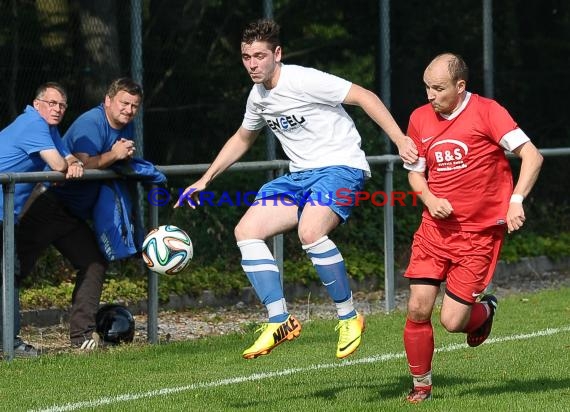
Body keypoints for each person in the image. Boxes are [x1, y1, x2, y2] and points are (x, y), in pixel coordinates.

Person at [175, 19, 418, 360]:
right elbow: (243, 137)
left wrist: (400, 139)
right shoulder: (257, 96)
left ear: (277, 54)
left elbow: (364, 96)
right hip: (300, 177)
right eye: (246, 57)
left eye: (259, 55)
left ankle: (350, 317)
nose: (252, 64)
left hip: (342, 168)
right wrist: (205, 179)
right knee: (246, 230)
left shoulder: (303, 80)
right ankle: (280, 320)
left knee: (310, 231)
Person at [402, 53, 543, 402]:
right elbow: (415, 173)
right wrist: (430, 199)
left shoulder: (487, 111)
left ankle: (486, 310)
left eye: (438, 88)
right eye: (426, 88)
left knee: (452, 321)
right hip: (434, 231)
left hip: (478, 236)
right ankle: (422, 387)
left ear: (460, 86)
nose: (430, 96)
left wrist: (516, 200)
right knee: (418, 308)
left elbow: (532, 156)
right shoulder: (420, 118)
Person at [17, 77, 142, 349]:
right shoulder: (91, 122)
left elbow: (115, 162)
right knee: (14, 269)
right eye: (124, 103)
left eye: (134, 106)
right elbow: (83, 165)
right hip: (48, 205)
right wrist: (114, 155)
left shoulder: (126, 125)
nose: (128, 110)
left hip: (71, 215)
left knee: (93, 262)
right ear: (108, 101)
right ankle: (9, 338)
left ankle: (82, 336)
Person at [0, 82, 84, 357]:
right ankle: (10, 345)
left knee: (8, 274)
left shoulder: (47, 128)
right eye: (51, 103)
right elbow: (58, 164)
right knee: (8, 274)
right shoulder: (33, 124)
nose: (57, 109)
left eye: (61, 105)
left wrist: (76, 162)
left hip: (6, 214)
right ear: (37, 105)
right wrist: (69, 164)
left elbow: (67, 156)